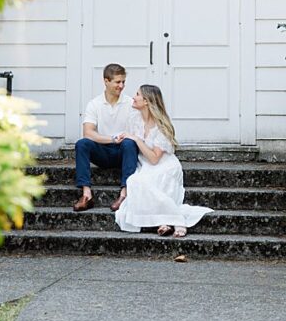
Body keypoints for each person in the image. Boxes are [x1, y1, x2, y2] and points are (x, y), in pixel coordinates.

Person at [114, 85, 212, 237]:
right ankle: (163, 222)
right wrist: (124, 136)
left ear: (147, 101)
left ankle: (176, 220)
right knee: (135, 181)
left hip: (164, 164)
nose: (133, 97)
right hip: (144, 162)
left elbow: (154, 158)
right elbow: (131, 140)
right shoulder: (134, 118)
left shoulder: (161, 127)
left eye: (137, 94)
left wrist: (136, 139)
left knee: (153, 182)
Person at [73, 63, 139, 212]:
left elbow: (137, 132)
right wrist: (112, 139)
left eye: (123, 82)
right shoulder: (94, 104)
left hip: (124, 152)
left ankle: (124, 194)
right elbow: (88, 133)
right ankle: (86, 195)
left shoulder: (130, 103)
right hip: (103, 150)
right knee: (82, 144)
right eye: (117, 82)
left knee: (129, 143)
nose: (121, 86)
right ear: (106, 81)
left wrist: (122, 139)